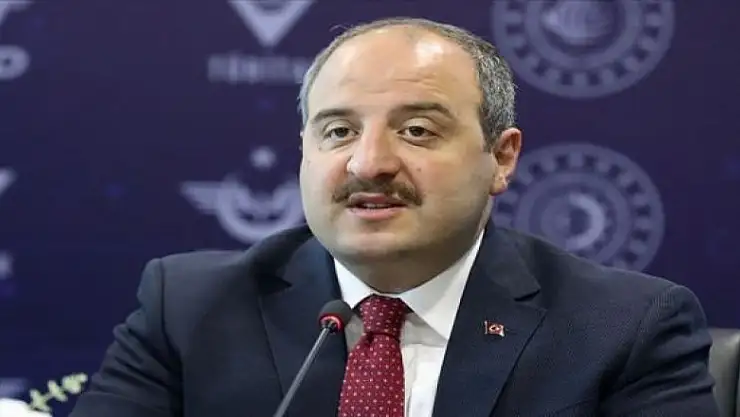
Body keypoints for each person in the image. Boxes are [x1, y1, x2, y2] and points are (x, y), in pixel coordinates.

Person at [69, 17, 720, 417]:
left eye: (416, 130)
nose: (369, 163)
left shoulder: (622, 328)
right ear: (304, 152)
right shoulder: (188, 308)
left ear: (501, 157)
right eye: (338, 131)